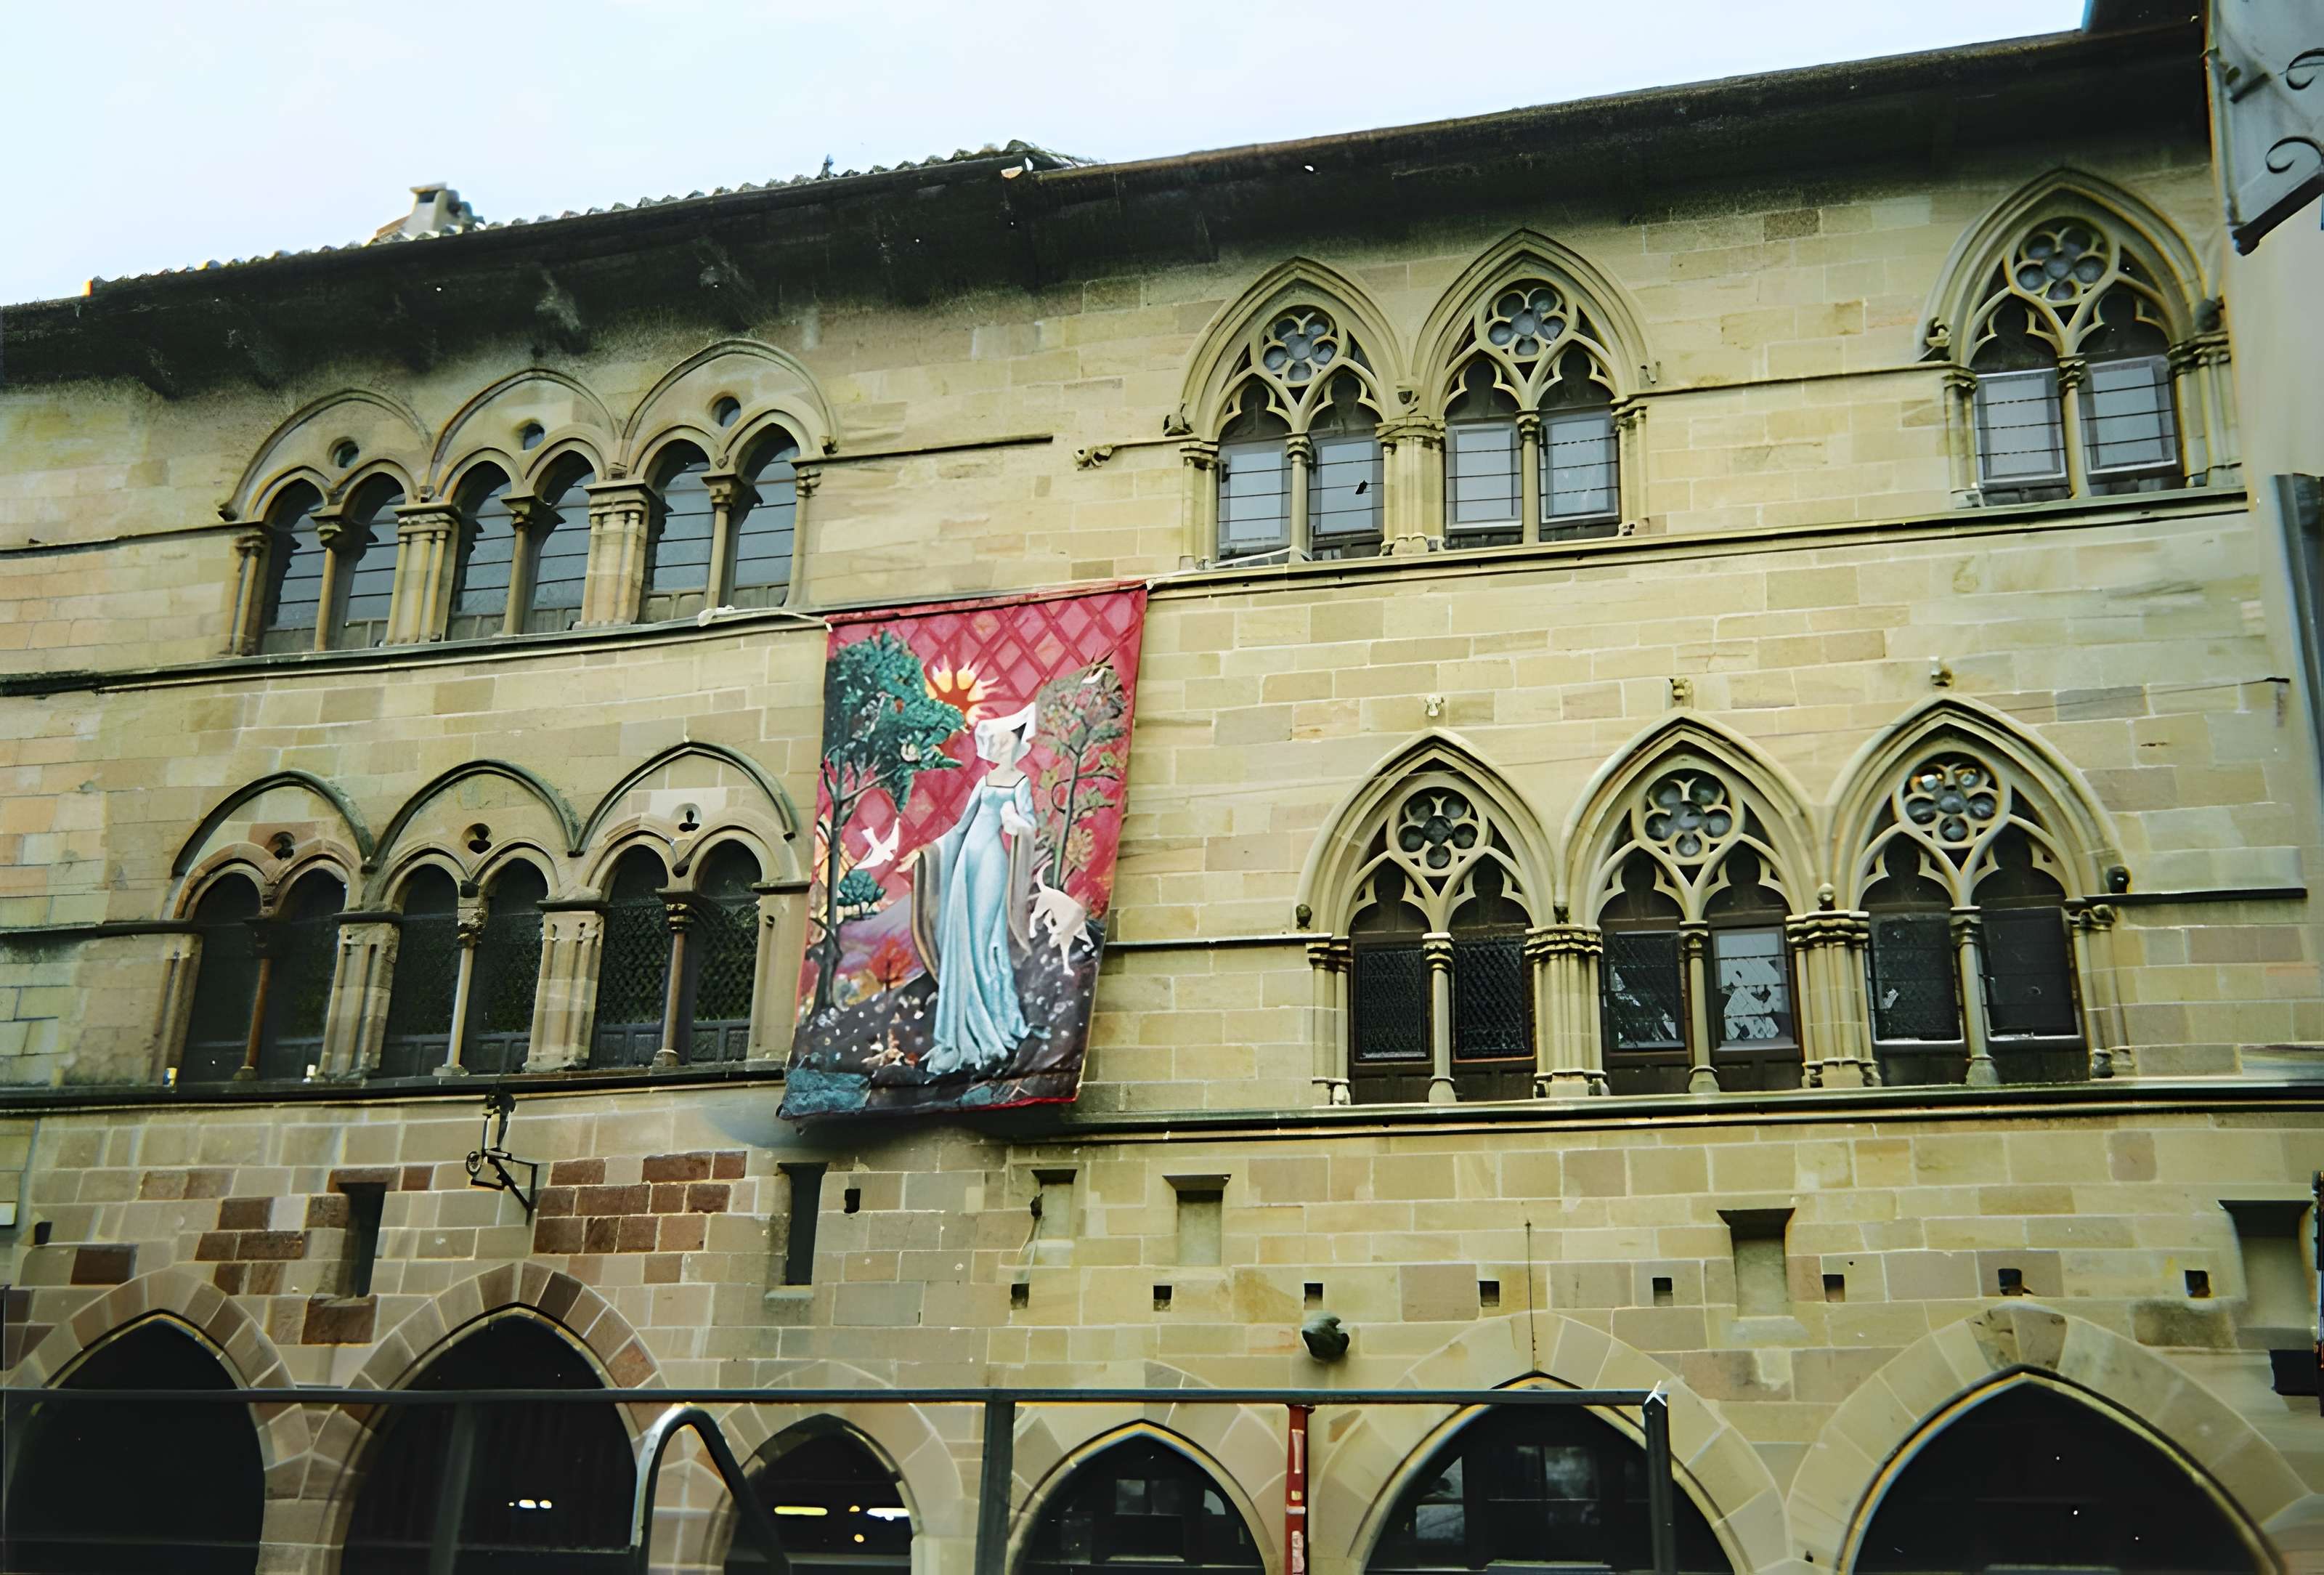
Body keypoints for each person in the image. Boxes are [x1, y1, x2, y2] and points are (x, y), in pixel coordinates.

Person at [916, 703, 1039, 1074]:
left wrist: (1014, 821)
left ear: (1018, 747)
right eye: (997, 744)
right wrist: (930, 852)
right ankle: (961, 1030)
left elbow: (1029, 826)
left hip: (991, 864)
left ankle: (996, 1025)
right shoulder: (984, 783)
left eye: (1007, 744)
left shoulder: (1020, 783)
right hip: (965, 863)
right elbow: (962, 826)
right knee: (963, 942)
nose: (1001, 750)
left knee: (987, 941)